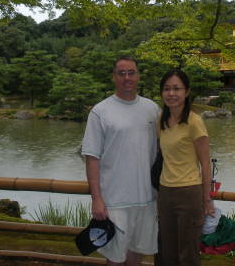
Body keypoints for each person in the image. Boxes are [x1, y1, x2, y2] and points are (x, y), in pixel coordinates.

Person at [81, 55, 159, 266]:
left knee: (137, 256)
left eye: (131, 72)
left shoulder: (152, 109)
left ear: (138, 76)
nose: (127, 78)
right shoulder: (100, 111)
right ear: (114, 77)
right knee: (115, 259)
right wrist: (96, 198)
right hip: (114, 200)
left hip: (146, 198)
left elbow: (164, 152)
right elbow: (91, 157)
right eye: (121, 73)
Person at [157, 69, 214, 266]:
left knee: (187, 254)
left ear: (187, 92)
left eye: (176, 89)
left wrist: (206, 200)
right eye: (166, 89)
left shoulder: (194, 122)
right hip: (165, 192)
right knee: (166, 252)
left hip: (189, 193)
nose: (171, 94)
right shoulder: (161, 121)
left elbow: (205, 164)